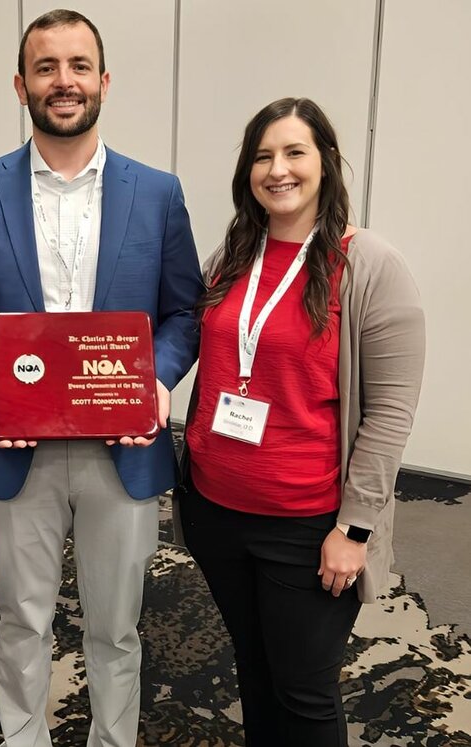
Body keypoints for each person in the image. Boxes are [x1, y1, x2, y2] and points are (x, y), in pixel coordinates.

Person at [0, 9, 203, 746]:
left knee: (117, 624)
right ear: (21, 85)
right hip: (17, 445)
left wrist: (159, 380)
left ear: (104, 80)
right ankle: (23, 737)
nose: (64, 81)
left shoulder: (157, 192)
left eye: (79, 66)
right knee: (23, 614)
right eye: (47, 67)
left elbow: (185, 312)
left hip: (123, 439)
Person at [176, 97, 425, 746]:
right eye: (263, 155)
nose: (277, 169)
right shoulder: (233, 255)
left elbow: (392, 411)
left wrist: (356, 526)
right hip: (216, 510)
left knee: (304, 690)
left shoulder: (368, 263)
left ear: (327, 163)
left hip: (309, 525)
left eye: (294, 152)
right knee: (255, 671)